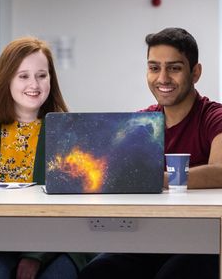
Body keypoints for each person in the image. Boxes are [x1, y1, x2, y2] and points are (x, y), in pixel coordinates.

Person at [0, 37, 92, 279]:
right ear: (6, 79)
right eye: (23, 76)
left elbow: (75, 210)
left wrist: (34, 255)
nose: (34, 84)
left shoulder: (69, 134)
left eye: (42, 75)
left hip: (57, 243)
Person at [80, 28, 222, 279]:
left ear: (195, 72)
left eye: (174, 68)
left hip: (204, 240)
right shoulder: (141, 122)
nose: (163, 78)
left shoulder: (213, 117)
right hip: (149, 237)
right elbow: (116, 172)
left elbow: (220, 172)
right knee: (96, 272)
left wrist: (156, 179)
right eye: (154, 68)